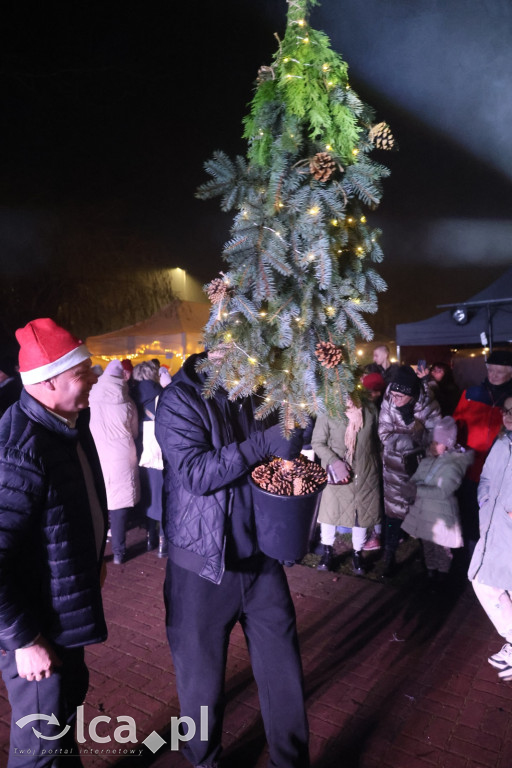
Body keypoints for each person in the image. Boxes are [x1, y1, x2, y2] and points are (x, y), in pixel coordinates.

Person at [155, 350, 310, 768]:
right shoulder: (179, 401)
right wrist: (262, 443)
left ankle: (290, 761)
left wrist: (297, 428)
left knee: (284, 674)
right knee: (201, 686)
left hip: (261, 561)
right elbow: (196, 473)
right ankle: (204, 760)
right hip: (202, 568)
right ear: (213, 349)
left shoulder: (252, 392)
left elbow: (286, 437)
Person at [0, 318, 108, 766]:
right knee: (39, 747)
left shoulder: (67, 422)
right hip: (38, 629)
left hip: (62, 614)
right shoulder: (20, 450)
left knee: (61, 725)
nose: (96, 379)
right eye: (82, 375)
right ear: (46, 384)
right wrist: (24, 640)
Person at [378, 365, 441, 576]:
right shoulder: (389, 400)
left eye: (399, 396)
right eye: (392, 394)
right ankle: (389, 559)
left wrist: (410, 423)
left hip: (421, 469)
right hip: (394, 469)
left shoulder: (429, 405)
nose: (394, 399)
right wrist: (412, 439)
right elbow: (384, 434)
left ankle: (429, 562)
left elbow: (434, 441)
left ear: (412, 394)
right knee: (393, 516)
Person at [468, 396, 512, 680]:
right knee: (487, 581)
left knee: (492, 583)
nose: (509, 416)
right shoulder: (502, 443)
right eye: (507, 410)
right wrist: (485, 502)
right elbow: (485, 479)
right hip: (494, 528)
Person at [312, 398, 381, 574]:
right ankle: (327, 552)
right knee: (330, 513)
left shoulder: (370, 409)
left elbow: (377, 440)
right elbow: (318, 442)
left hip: (365, 474)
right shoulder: (328, 410)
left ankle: (357, 554)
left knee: (362, 515)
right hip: (338, 474)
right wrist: (335, 462)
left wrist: (375, 465)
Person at [401, 416, 473, 584]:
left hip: (442, 516)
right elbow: (417, 476)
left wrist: (417, 489)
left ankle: (442, 577)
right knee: (427, 545)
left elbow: (443, 491)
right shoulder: (427, 461)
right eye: (432, 442)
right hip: (426, 514)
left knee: (442, 548)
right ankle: (430, 572)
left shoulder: (454, 465)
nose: (432, 446)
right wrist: (410, 485)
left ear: (447, 445)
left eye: (437, 443)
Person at [453, 349, 512, 550]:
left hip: (500, 470)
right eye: (491, 370)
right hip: (470, 467)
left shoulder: (510, 400)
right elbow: (456, 425)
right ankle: (471, 553)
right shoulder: (471, 394)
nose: (493, 375)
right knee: (469, 513)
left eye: (499, 372)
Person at [89, 359, 139, 565]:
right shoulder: (127, 400)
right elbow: (134, 431)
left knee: (99, 501)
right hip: (121, 455)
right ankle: (118, 551)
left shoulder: (91, 395)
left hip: (98, 453)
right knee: (119, 506)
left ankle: (97, 551)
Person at [132, 361, 165, 555]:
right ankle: (163, 541)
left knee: (146, 492)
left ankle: (149, 536)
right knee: (160, 491)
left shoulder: (131, 395)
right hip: (158, 450)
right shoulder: (162, 393)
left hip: (138, 449)